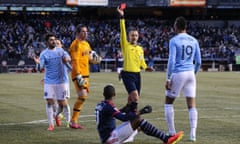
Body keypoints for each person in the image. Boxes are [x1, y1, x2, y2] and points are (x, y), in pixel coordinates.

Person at [95, 84, 184, 144]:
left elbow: (117, 112)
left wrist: (128, 105)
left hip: (107, 136)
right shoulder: (109, 107)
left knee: (140, 125)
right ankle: (166, 139)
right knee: (138, 120)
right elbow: (123, 118)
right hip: (110, 138)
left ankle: (165, 138)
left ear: (103, 94)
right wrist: (141, 111)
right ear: (114, 95)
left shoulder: (101, 105)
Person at [164, 16, 202, 142]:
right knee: (191, 105)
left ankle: (172, 131)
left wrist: (168, 78)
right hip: (191, 73)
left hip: (179, 73)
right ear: (185, 27)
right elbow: (199, 62)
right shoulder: (194, 40)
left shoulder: (174, 40)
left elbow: (172, 61)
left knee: (168, 102)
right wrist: (194, 73)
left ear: (176, 26)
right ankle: (193, 134)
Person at [117, 6, 154, 113]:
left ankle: (126, 110)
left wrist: (146, 68)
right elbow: (122, 30)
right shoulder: (125, 45)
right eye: (132, 35)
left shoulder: (140, 49)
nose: (134, 37)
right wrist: (122, 17)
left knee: (131, 98)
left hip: (137, 75)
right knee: (135, 97)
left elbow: (142, 62)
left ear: (138, 37)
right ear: (128, 36)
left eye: (136, 35)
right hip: (127, 74)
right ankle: (133, 115)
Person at [34, 33, 71, 131]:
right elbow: (40, 67)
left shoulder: (60, 50)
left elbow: (68, 58)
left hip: (61, 81)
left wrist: (67, 59)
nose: (53, 41)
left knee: (63, 103)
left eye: (54, 39)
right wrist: (37, 64)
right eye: (51, 40)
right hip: (49, 81)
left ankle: (61, 118)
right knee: (49, 102)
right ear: (47, 42)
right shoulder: (44, 54)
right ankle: (51, 125)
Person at [68, 24, 100, 129]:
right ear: (77, 33)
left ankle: (73, 120)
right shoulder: (75, 45)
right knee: (82, 95)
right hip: (79, 74)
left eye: (86, 31)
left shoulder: (86, 44)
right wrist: (78, 75)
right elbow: (75, 61)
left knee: (83, 96)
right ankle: (73, 120)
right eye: (83, 31)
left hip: (86, 73)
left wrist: (96, 60)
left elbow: (89, 58)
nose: (85, 33)